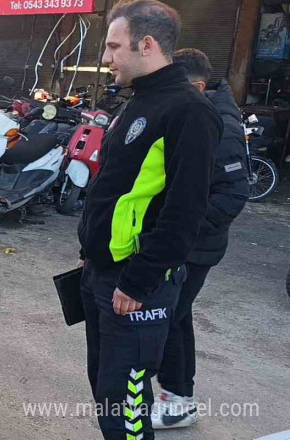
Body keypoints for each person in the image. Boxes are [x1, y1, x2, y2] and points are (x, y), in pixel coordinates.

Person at [75, 1, 223, 439]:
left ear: (147, 44)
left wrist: (138, 281)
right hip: (103, 274)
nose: (106, 59)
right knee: (107, 394)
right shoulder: (139, 100)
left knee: (126, 411)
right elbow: (117, 189)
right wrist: (91, 251)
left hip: (137, 287)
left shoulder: (189, 111)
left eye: (113, 46)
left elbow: (185, 211)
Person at [150, 48, 249, 430]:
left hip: (193, 248)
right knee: (176, 316)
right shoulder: (192, 112)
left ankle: (177, 400)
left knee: (168, 318)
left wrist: (181, 230)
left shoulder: (217, 121)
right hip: (180, 243)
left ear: (197, 85)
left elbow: (232, 194)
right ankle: (177, 395)